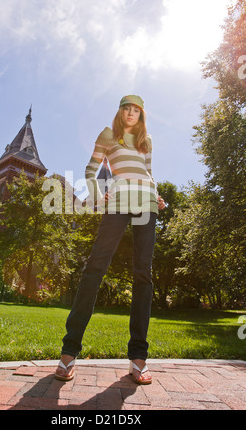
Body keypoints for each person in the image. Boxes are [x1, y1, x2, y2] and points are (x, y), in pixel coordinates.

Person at [55, 95, 165, 385]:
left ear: (142, 115)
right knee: (95, 268)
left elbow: (149, 173)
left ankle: (138, 359)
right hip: (117, 202)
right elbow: (91, 169)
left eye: (137, 110)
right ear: (120, 112)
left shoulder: (146, 140)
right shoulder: (108, 134)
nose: (131, 113)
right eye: (127, 109)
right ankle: (69, 353)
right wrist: (94, 194)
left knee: (143, 275)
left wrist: (157, 194)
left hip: (147, 205)